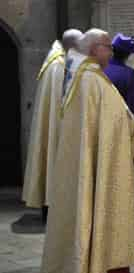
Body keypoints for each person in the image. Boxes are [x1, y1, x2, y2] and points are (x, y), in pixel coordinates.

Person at [40, 28, 134, 273]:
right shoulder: (91, 80)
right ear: (95, 48)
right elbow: (115, 121)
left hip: (92, 163)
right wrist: (132, 127)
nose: (110, 51)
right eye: (107, 46)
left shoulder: (86, 78)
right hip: (102, 166)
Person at [22, 29, 82, 216]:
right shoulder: (58, 65)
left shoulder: (57, 60)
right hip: (59, 127)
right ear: (73, 46)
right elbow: (60, 104)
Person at [104, 33, 134, 119]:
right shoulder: (129, 74)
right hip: (120, 121)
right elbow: (132, 105)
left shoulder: (101, 69)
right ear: (127, 55)